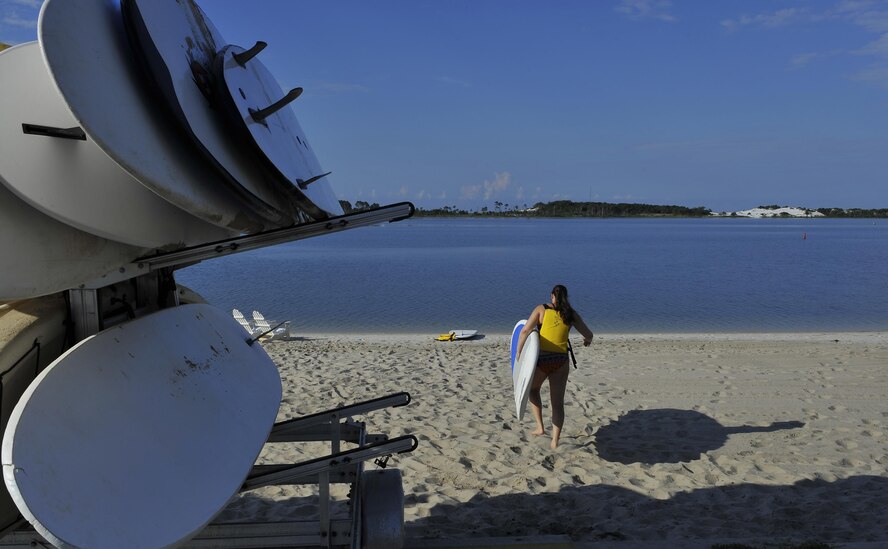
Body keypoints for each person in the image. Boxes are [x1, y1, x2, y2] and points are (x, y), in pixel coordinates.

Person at [516, 284, 593, 449]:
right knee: (557, 403)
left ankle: (540, 427)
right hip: (561, 361)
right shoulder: (571, 314)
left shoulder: (541, 309)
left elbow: (524, 331)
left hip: (542, 360)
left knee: (532, 390)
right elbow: (589, 335)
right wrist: (587, 340)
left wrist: (518, 353)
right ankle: (555, 441)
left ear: (552, 296)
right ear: (566, 297)